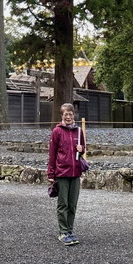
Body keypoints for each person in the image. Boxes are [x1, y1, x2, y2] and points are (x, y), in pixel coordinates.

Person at [47, 102, 86, 246]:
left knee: (72, 204)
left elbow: (82, 150)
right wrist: (51, 173)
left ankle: (70, 230)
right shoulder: (57, 131)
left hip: (75, 171)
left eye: (70, 114)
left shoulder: (78, 131)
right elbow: (52, 154)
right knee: (63, 203)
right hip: (62, 172)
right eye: (66, 114)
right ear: (62, 116)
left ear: (73, 114)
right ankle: (63, 232)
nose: (68, 116)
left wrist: (81, 149)